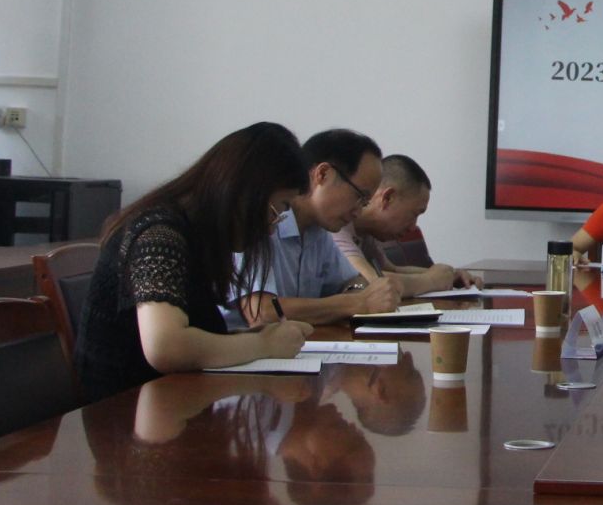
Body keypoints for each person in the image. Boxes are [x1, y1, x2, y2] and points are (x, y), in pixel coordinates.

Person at [74, 121, 315, 403]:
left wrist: (252, 338)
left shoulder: (196, 235)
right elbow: (166, 347)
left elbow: (196, 330)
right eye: (276, 210)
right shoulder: (160, 233)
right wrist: (263, 344)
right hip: (121, 412)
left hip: (165, 400)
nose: (272, 228)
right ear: (245, 193)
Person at [232, 127, 400, 325]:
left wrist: (356, 294)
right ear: (323, 174)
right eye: (359, 196)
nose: (358, 212)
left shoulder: (318, 232)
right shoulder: (264, 220)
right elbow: (261, 312)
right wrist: (355, 303)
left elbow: (355, 281)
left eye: (365, 203)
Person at [333, 153, 472, 295]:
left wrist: (450, 275)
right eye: (414, 214)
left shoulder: (365, 232)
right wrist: (431, 281)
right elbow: (370, 281)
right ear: (388, 198)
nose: (413, 227)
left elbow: (392, 270)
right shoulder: (337, 224)